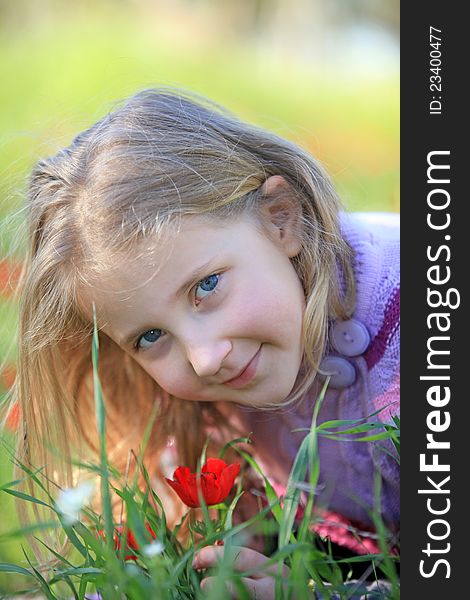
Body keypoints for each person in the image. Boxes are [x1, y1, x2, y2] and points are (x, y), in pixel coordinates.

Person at [11, 88, 399, 598]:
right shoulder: (211, 398)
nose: (203, 357)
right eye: (150, 337)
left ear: (282, 219)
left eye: (206, 287)